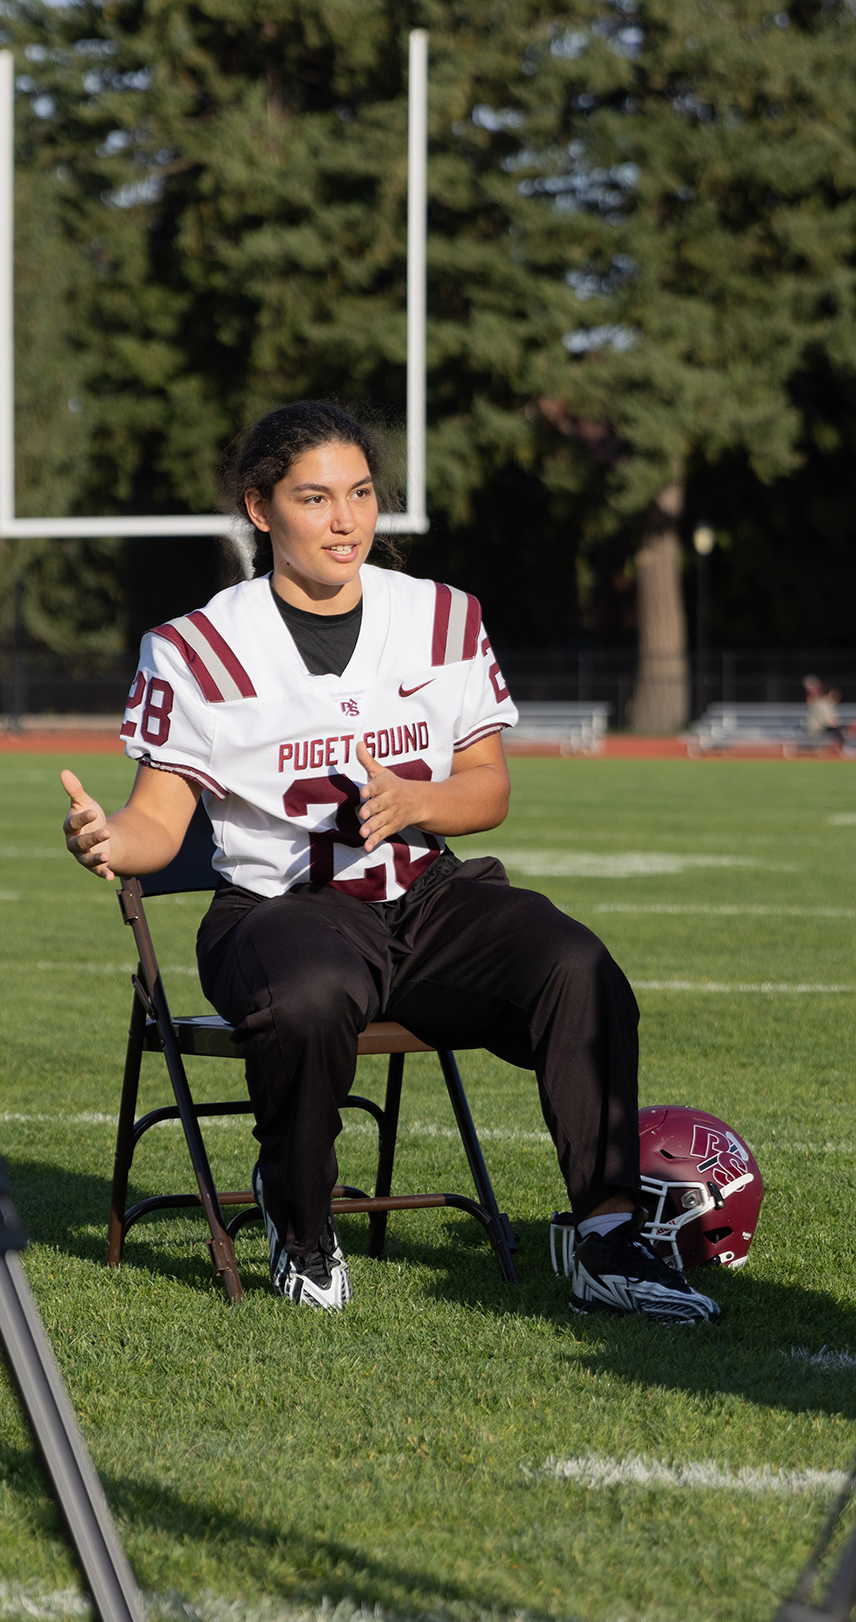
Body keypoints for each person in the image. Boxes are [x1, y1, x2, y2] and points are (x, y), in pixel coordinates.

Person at [59, 402, 719, 1323]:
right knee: (312, 995)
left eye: (361, 493)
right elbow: (157, 826)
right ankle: (300, 1223)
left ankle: (607, 1239)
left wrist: (415, 801)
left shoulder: (440, 617)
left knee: (579, 966)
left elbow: (487, 790)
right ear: (260, 509)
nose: (345, 520)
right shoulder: (197, 646)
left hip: (426, 896)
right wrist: (106, 840)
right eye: (316, 497)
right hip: (279, 910)